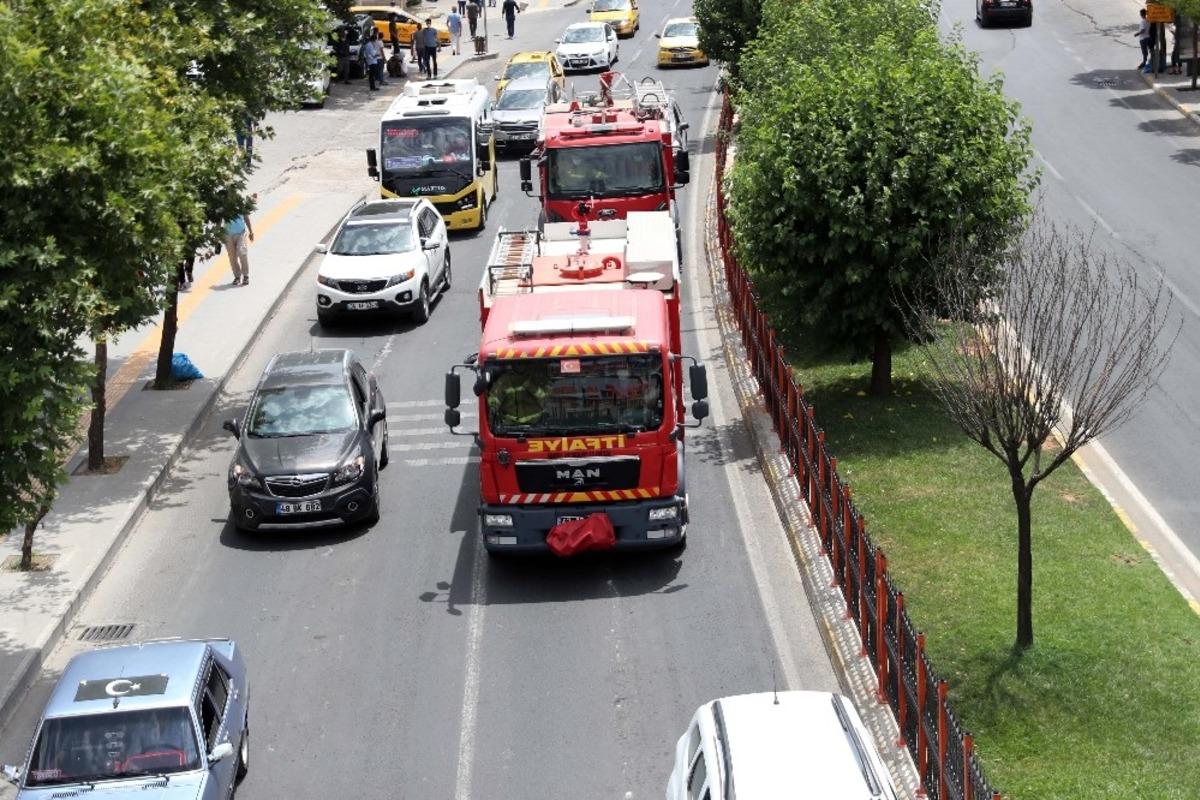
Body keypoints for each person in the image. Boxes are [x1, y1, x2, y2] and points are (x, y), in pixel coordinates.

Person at [225, 208, 255, 286]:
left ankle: (245, 275)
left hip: (241, 233)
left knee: (242, 253)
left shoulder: (240, 203)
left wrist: (251, 232)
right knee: (232, 256)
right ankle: (237, 277)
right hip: (228, 234)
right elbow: (219, 219)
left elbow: (246, 217)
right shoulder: (223, 203)